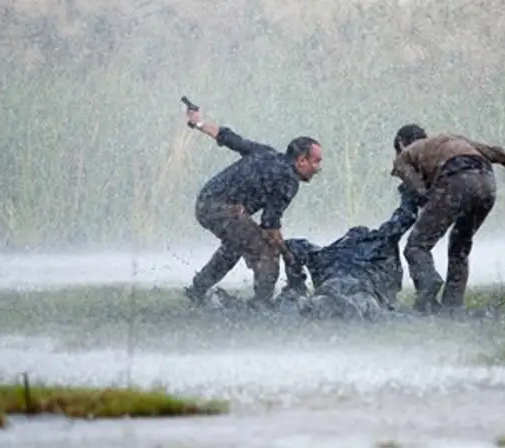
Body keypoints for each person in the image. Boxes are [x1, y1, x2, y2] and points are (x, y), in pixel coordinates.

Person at [389, 124, 505, 314]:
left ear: (400, 144)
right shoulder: (452, 138)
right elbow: (498, 153)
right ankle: (453, 308)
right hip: (487, 183)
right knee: (460, 247)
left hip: (456, 180)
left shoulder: (404, 156)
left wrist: (426, 204)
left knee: (417, 246)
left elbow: (418, 190)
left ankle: (428, 289)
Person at [181, 107, 323, 307]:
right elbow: (269, 226)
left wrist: (199, 123)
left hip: (204, 201)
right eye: (316, 162)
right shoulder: (288, 180)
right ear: (301, 161)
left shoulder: (266, 152)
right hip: (222, 208)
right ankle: (261, 307)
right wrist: (288, 255)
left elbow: (229, 138)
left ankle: (197, 290)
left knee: (234, 247)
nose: (319, 168)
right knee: (266, 252)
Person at [277, 183, 423, 320]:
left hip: (331, 288)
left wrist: (296, 284)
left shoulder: (326, 253)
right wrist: (408, 191)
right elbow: (405, 217)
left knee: (312, 307)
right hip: (361, 290)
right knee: (368, 310)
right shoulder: (378, 242)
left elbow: (293, 246)